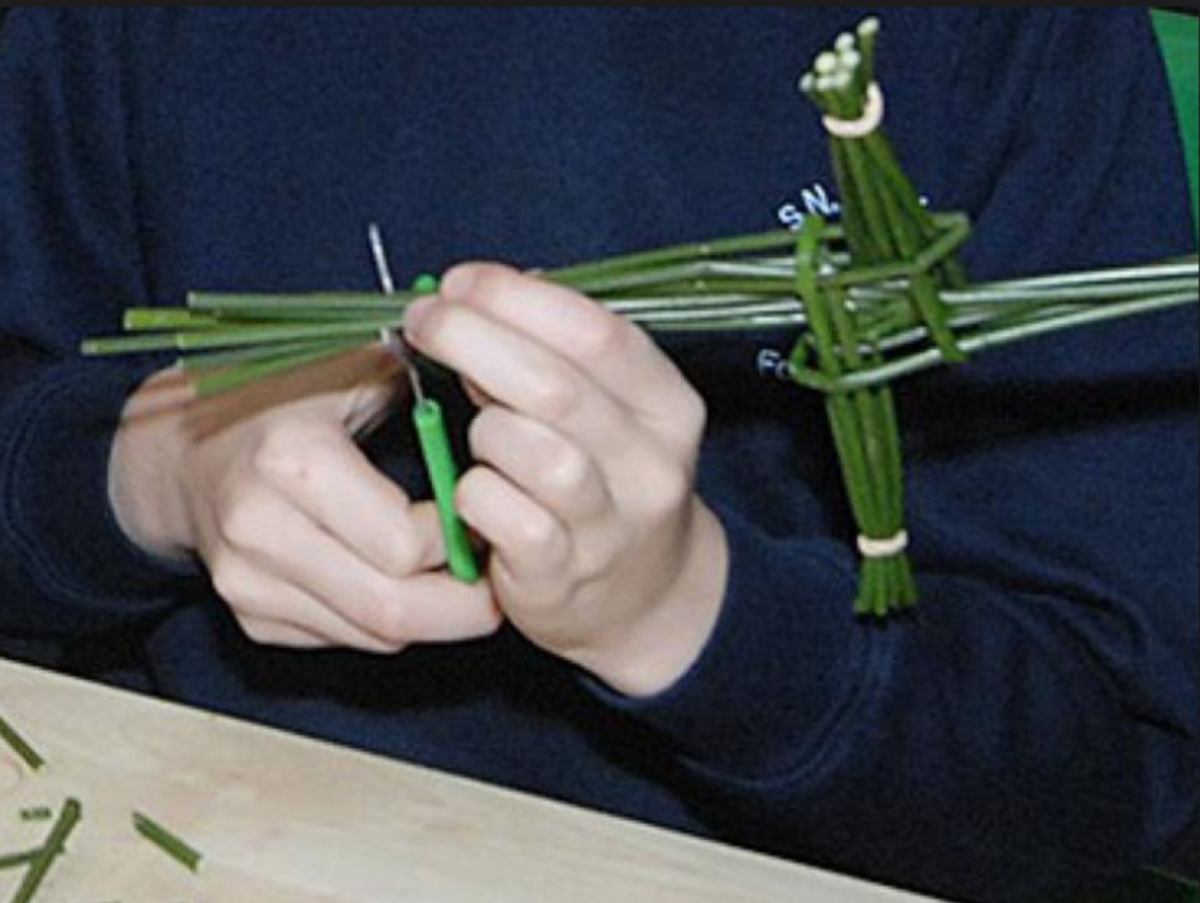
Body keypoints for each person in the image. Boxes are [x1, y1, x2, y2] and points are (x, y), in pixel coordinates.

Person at [0, 9, 1195, 902]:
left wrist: (695, 613)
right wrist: (150, 471)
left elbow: (1112, 767)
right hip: (190, 830)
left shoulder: (1000, 42)